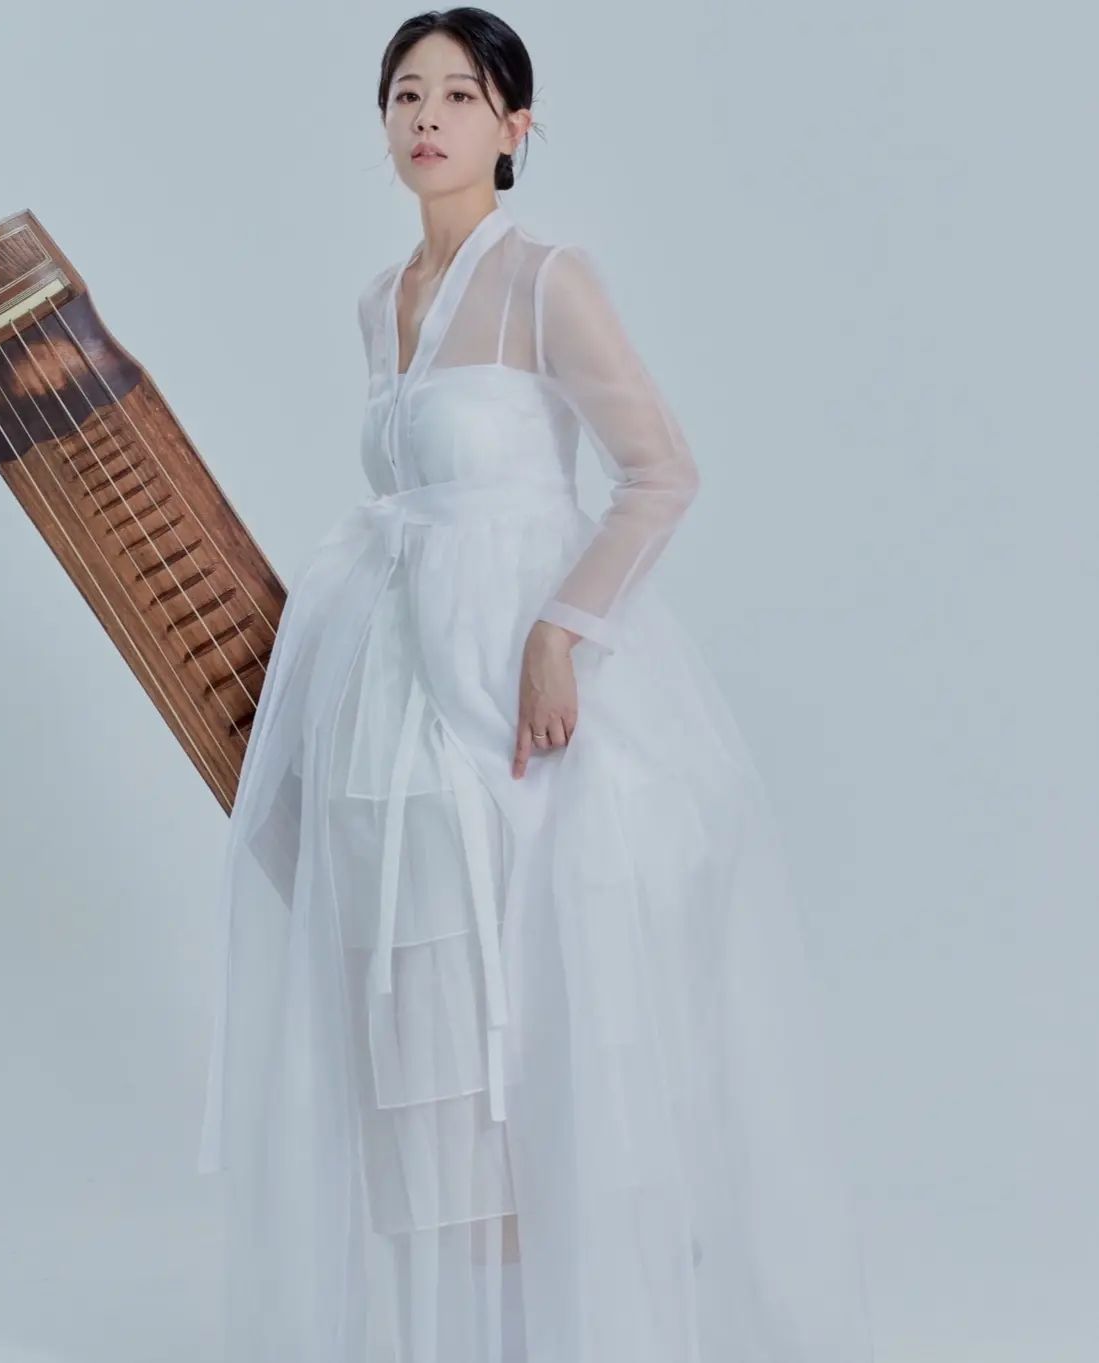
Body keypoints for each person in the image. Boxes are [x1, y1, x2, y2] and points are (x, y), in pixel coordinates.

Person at [196, 9, 876, 1363]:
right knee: (429, 1039)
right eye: (406, 94)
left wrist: (562, 631)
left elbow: (660, 471)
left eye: (460, 95)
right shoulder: (376, 301)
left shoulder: (545, 276)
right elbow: (407, 505)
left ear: (515, 126)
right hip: (400, 683)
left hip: (523, 690)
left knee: (546, 1025)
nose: (427, 118)